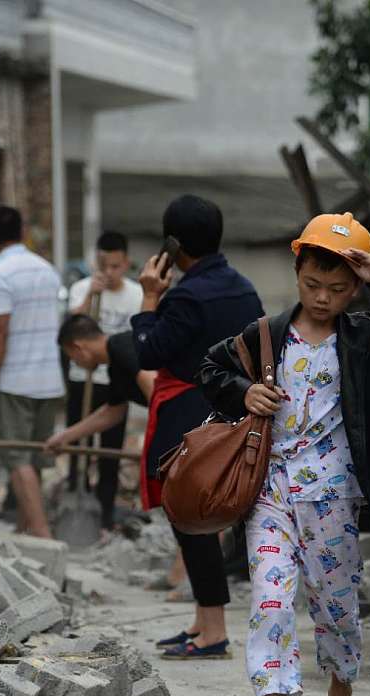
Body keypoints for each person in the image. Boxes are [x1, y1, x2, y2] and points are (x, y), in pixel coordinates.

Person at [199, 212, 370, 696]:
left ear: (355, 287)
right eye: (312, 284)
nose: (322, 297)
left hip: (335, 496)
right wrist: (244, 393)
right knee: (270, 601)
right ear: (298, 271)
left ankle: (340, 692)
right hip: (271, 493)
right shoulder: (267, 336)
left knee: (335, 605)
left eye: (337, 288)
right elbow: (210, 369)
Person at [132, 194, 264, 660]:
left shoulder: (186, 296)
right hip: (233, 411)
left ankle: (213, 632)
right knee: (199, 522)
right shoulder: (243, 288)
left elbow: (147, 352)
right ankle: (203, 621)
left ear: (174, 244)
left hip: (190, 416)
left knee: (192, 521)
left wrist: (149, 297)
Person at [0, 206, 65, 539]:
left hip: (15, 380)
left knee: (17, 459)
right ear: (22, 229)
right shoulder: (47, 269)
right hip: (49, 379)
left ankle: (43, 537)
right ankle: (27, 527)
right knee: (35, 459)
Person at [65, 231, 143, 530]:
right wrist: (89, 296)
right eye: (103, 265)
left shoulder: (136, 294)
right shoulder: (82, 288)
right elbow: (72, 328)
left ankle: (106, 512)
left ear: (125, 263)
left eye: (115, 266)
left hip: (115, 380)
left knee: (110, 449)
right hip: (82, 378)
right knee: (77, 444)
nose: (109, 273)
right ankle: (75, 500)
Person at [45, 314, 155, 469]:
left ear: (78, 348)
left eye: (72, 357)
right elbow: (113, 412)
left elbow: (155, 389)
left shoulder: (121, 345)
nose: (76, 363)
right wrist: (65, 436)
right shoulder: (115, 366)